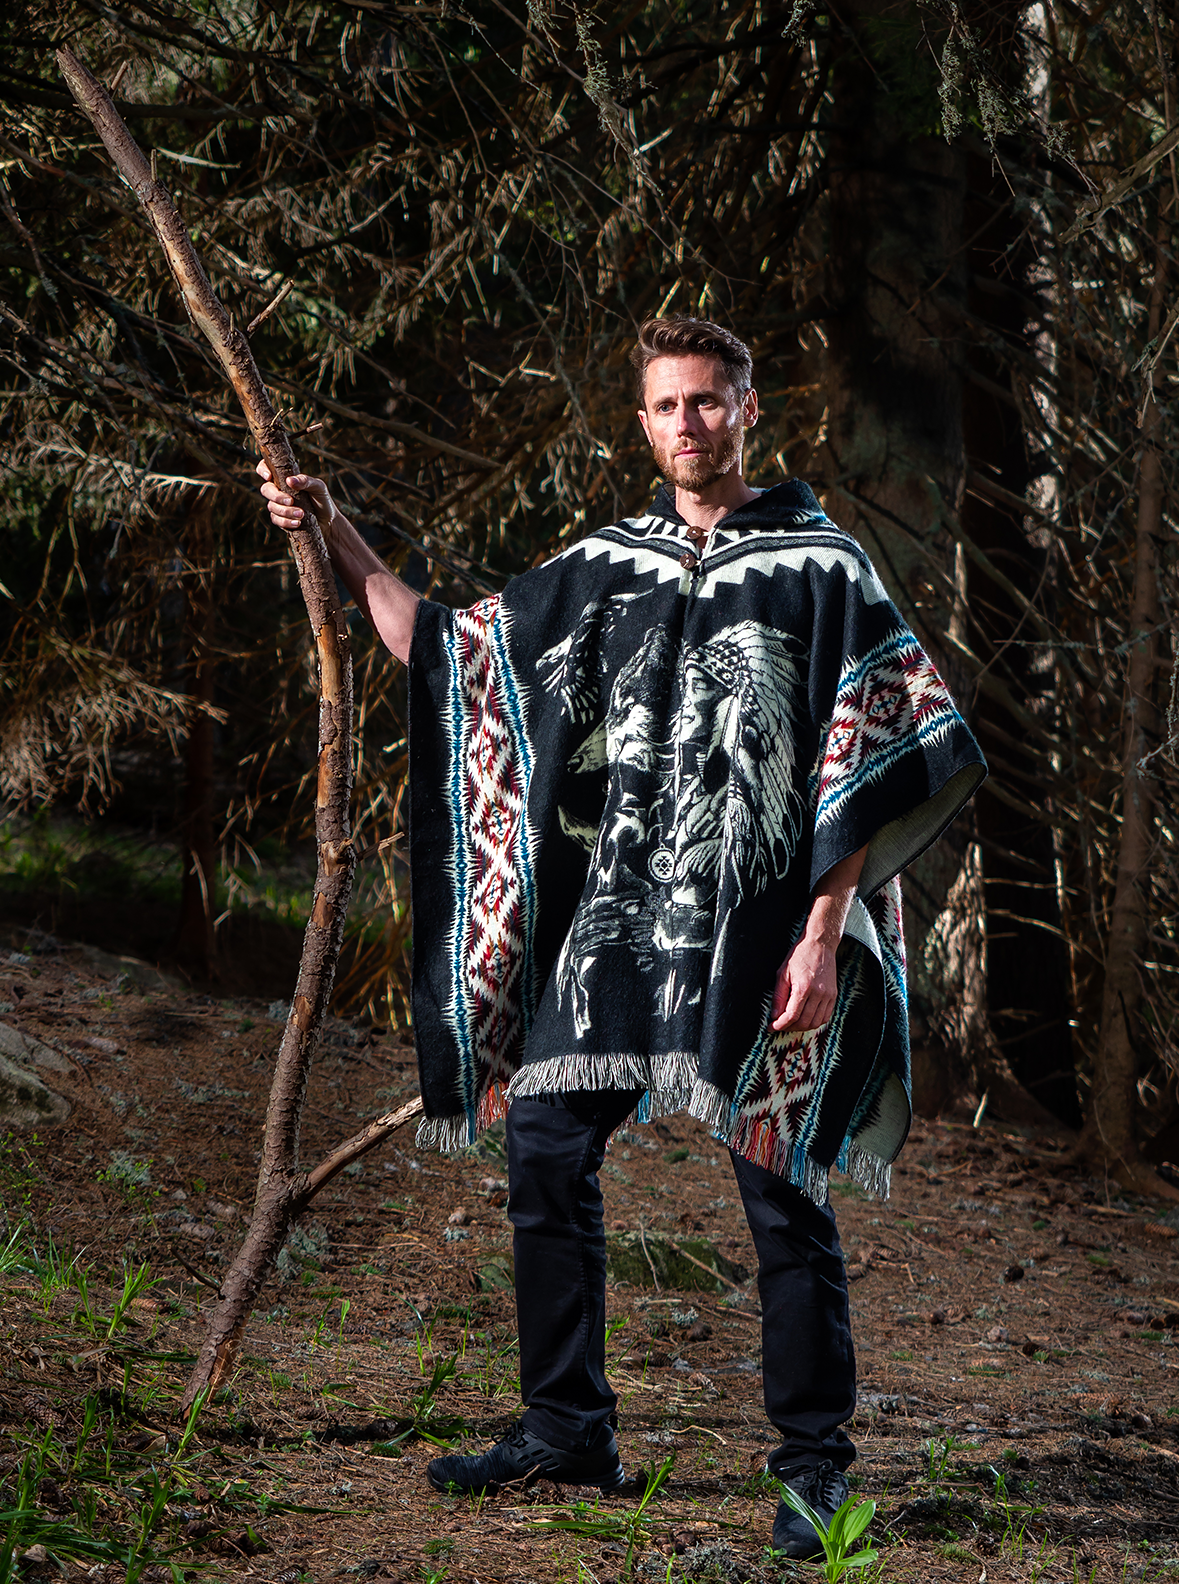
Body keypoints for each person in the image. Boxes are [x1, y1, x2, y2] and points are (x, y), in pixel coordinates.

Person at [259, 317, 986, 1558]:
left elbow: (867, 763)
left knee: (781, 1184)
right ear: (642, 422)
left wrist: (823, 937)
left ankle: (813, 1468)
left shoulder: (825, 568)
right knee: (545, 1142)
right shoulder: (609, 564)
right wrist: (332, 530)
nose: (688, 424)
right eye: (667, 406)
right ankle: (567, 1429)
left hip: (767, 932)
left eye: (708, 401)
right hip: (619, 932)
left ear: (747, 408)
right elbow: (453, 650)